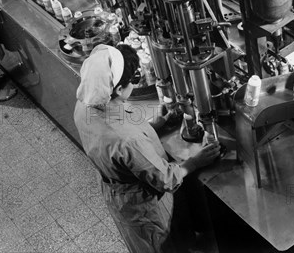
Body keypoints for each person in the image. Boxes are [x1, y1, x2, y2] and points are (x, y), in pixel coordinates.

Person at [73, 44, 221, 253]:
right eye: (133, 80)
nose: (135, 82)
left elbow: (119, 133)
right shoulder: (127, 139)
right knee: (165, 245)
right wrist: (195, 161)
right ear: (117, 89)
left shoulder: (86, 103)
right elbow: (165, 179)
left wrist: (155, 124)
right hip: (143, 203)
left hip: (117, 188)